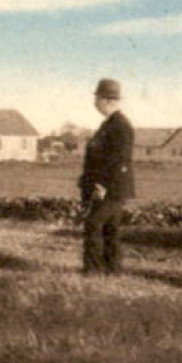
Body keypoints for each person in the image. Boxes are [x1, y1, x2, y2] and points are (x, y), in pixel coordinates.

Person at [78, 77, 135, 275]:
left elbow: (118, 161)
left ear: (107, 100)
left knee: (93, 225)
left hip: (110, 189)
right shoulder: (110, 124)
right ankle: (112, 270)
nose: (95, 103)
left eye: (97, 98)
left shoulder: (120, 126)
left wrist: (102, 185)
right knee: (110, 230)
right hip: (110, 188)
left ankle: (93, 271)